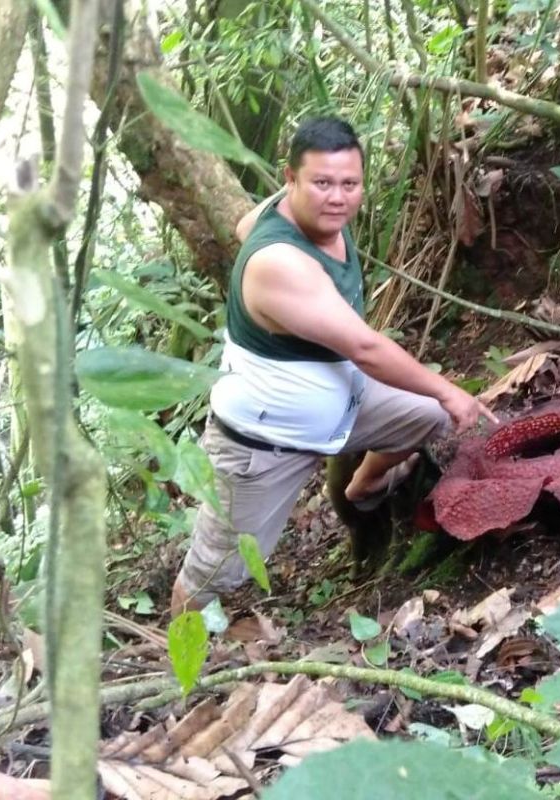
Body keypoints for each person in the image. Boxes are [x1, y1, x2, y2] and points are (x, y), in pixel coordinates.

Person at [171, 116, 497, 616]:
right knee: (217, 572)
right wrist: (451, 389)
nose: (338, 198)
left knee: (430, 414)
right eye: (321, 183)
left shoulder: (281, 216)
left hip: (344, 404)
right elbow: (366, 349)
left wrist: (441, 399)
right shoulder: (279, 263)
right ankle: (185, 675)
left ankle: (362, 485)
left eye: (350, 184)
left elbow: (241, 225)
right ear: (290, 179)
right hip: (263, 446)